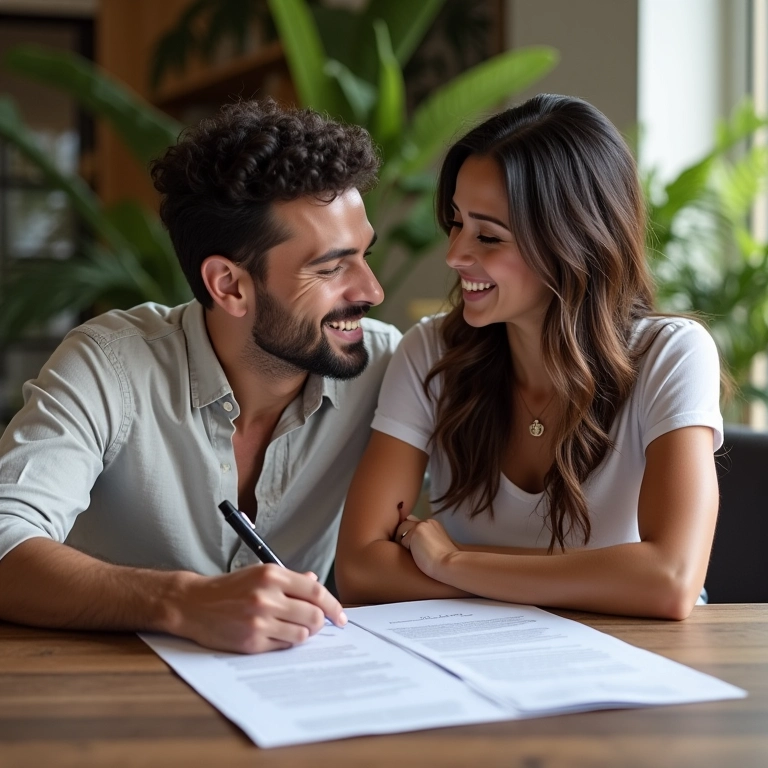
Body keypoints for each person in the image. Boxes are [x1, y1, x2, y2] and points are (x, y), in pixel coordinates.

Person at [0, 99, 401, 652]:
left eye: (364, 256)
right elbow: (5, 539)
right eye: (331, 268)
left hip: (294, 686)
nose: (372, 290)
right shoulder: (109, 364)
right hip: (109, 686)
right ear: (229, 286)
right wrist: (180, 601)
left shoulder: (386, 367)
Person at [335, 94, 722, 620]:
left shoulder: (670, 355)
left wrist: (452, 561)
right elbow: (360, 569)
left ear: (571, 241)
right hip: (483, 651)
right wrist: (605, 579)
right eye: (456, 222)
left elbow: (669, 581)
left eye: (488, 236)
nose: (454, 254)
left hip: (640, 650)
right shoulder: (430, 352)